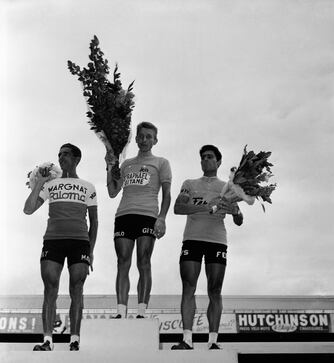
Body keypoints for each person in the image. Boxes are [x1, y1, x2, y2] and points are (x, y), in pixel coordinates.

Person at [171, 145, 251, 350]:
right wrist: (207, 207)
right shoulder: (189, 183)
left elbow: (239, 220)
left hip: (216, 240)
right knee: (188, 287)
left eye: (210, 157)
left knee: (215, 290)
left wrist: (235, 211)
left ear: (218, 162)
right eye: (203, 157)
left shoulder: (229, 188)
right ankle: (187, 340)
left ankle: (213, 342)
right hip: (192, 239)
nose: (205, 160)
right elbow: (178, 208)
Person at [24, 143, 98, 351]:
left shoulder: (88, 186)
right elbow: (28, 210)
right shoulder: (50, 184)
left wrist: (90, 250)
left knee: (77, 288)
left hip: (79, 241)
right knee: (50, 288)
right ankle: (48, 340)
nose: (61, 157)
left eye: (66, 154)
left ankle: (74, 340)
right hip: (53, 240)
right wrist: (39, 182)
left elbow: (95, 222)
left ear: (77, 159)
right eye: (59, 154)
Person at [106, 122, 171, 318]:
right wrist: (110, 166)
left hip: (148, 215)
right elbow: (112, 191)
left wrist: (162, 218)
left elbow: (167, 194)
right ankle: (121, 311)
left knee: (143, 261)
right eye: (141, 136)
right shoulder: (126, 164)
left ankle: (142, 312)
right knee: (122, 261)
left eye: (149, 137)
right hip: (124, 215)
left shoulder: (161, 163)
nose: (144, 140)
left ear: (155, 140)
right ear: (135, 139)